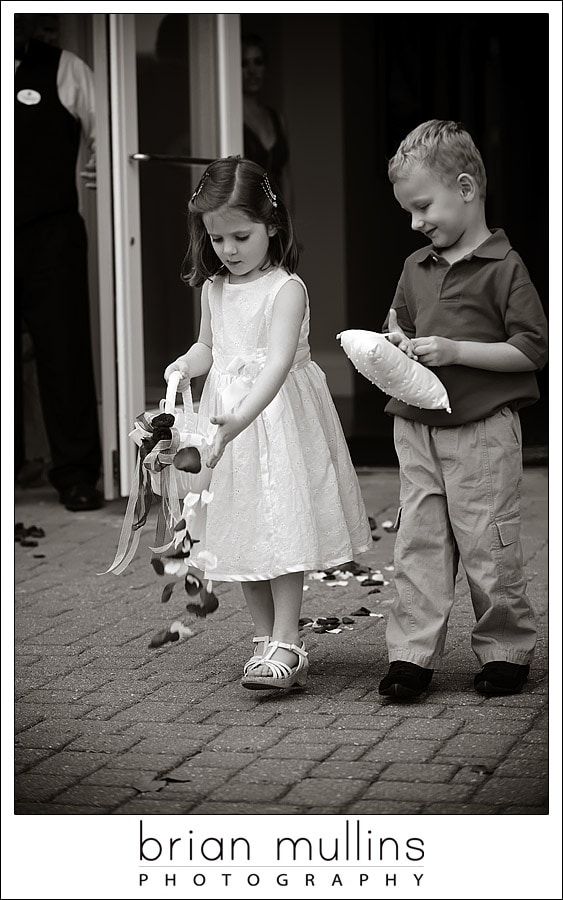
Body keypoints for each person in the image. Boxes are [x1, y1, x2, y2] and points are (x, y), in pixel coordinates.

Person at [164, 156, 372, 690]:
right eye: (217, 240)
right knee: (238, 526)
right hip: (227, 423)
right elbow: (210, 346)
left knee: (281, 521)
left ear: (272, 226)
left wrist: (237, 421)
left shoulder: (287, 289)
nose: (228, 251)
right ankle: (263, 638)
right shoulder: (215, 289)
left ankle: (288, 640)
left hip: (273, 419)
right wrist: (187, 363)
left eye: (241, 236)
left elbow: (277, 363)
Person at [377, 119, 548, 700]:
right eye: (408, 212)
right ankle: (411, 655)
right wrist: (396, 343)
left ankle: (505, 649)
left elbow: (533, 349)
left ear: (467, 188)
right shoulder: (414, 267)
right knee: (417, 543)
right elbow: (395, 325)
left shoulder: (506, 266)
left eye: (424, 206)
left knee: (487, 542)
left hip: (483, 430)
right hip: (416, 428)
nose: (416, 222)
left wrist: (454, 351)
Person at [15, 13, 103, 511]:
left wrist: (95, 173)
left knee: (63, 352)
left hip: (52, 230)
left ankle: (75, 474)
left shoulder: (66, 69)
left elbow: (104, 141)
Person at [241, 34, 292, 212]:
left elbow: (285, 176)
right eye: (244, 63)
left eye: (258, 62)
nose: (252, 70)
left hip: (278, 216)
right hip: (247, 216)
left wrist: (291, 222)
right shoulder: (228, 120)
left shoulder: (276, 117)